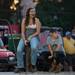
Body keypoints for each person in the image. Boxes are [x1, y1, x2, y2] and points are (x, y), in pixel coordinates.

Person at [15, 8, 41, 73]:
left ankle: (33, 65)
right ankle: (20, 67)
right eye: (31, 11)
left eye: (34, 12)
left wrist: (31, 37)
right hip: (25, 37)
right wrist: (24, 40)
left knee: (34, 48)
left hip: (34, 36)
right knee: (19, 49)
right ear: (28, 13)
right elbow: (22, 32)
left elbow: (38, 32)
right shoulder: (24, 20)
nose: (33, 13)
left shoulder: (37, 20)